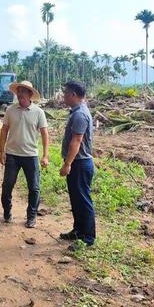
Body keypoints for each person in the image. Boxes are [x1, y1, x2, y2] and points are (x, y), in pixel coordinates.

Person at [0, 81, 49, 228]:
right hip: (12, 155)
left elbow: (45, 134)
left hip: (30, 155)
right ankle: (7, 212)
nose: (20, 93)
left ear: (30, 94)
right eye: (18, 90)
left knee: (34, 188)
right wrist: (2, 151)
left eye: (23, 91)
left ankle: (31, 216)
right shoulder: (10, 110)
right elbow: (4, 130)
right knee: (7, 186)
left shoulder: (38, 112)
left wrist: (45, 155)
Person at [59, 81, 96, 248]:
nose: (63, 96)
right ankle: (78, 231)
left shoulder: (80, 114)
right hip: (78, 163)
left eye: (65, 93)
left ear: (73, 94)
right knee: (76, 199)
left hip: (80, 163)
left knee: (83, 200)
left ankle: (87, 238)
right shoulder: (77, 112)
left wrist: (67, 163)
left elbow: (77, 140)